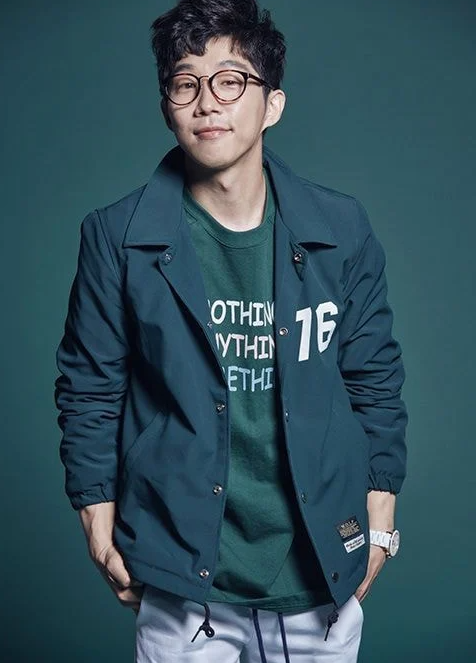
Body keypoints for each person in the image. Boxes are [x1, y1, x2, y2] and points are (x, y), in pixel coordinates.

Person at [54, 0, 408, 661]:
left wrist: (381, 514)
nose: (207, 102)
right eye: (185, 83)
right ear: (167, 105)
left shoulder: (341, 229)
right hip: (180, 579)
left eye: (231, 80)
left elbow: (373, 378)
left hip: (319, 577)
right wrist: (97, 520)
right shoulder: (116, 236)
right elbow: (90, 387)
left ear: (272, 104)